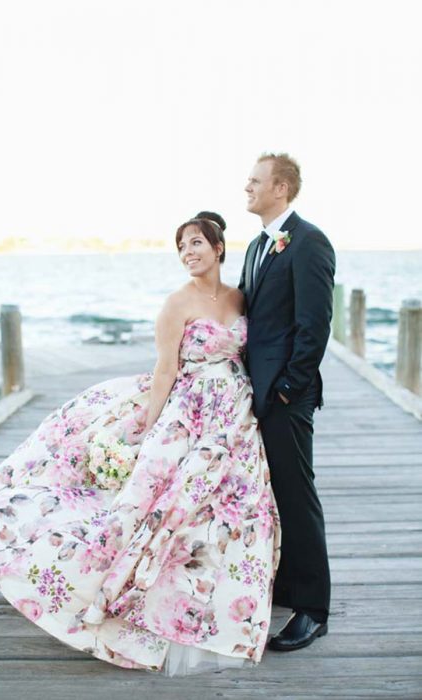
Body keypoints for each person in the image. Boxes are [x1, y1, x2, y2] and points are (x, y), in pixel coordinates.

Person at [0, 213, 280, 675]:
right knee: (153, 504)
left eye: (195, 244)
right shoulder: (175, 305)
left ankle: (215, 609)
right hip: (190, 408)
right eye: (181, 247)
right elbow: (166, 370)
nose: (188, 253)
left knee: (234, 509)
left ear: (218, 248)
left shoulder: (240, 297)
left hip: (235, 415)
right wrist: (149, 427)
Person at [239, 153, 335, 651]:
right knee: (270, 497)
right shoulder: (257, 246)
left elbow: (314, 324)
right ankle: (282, 586)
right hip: (255, 395)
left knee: (297, 499)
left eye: (255, 181)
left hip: (285, 397)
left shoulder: (309, 242)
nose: (246, 187)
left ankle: (313, 610)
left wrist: (287, 388)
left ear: (281, 187)